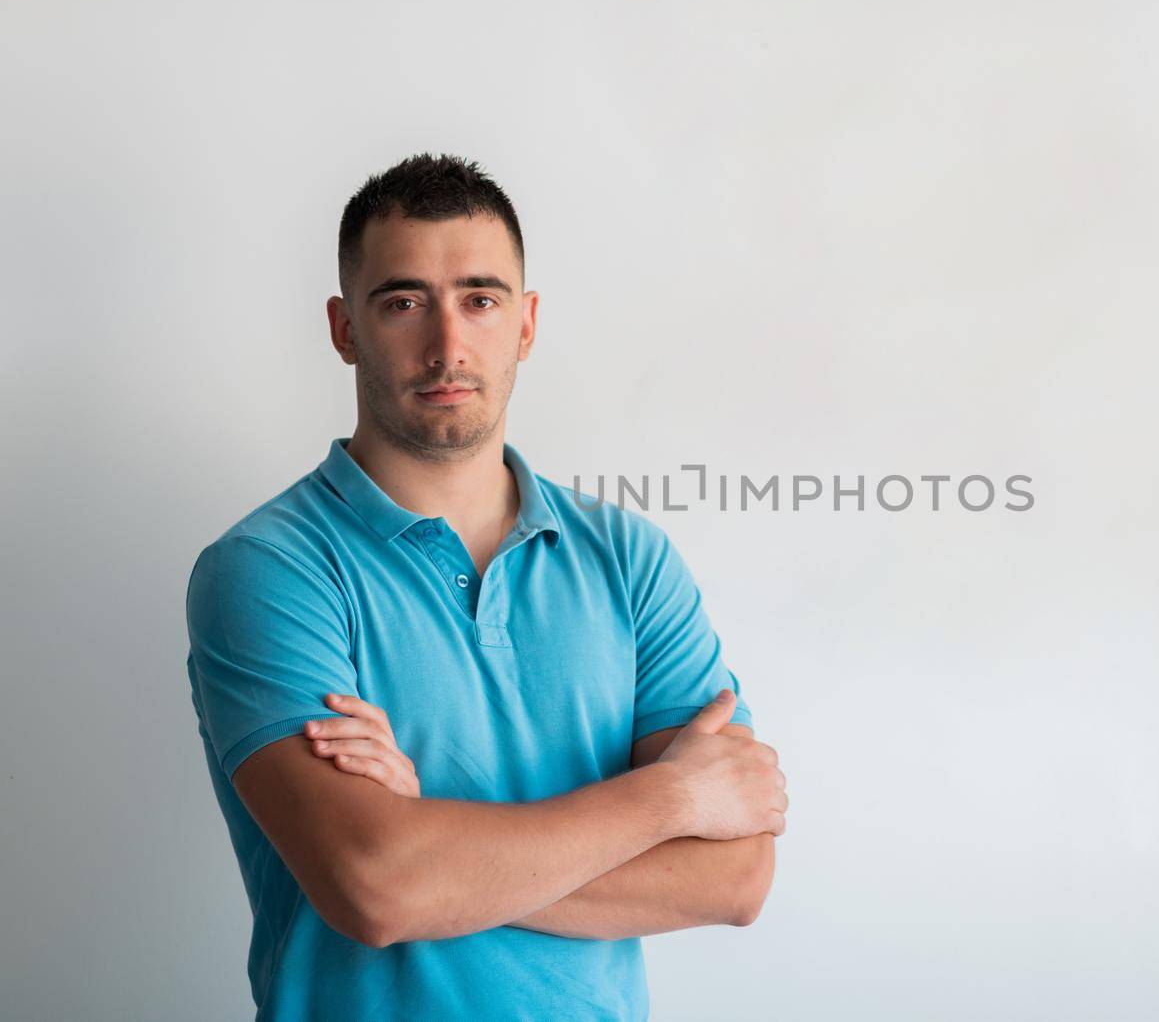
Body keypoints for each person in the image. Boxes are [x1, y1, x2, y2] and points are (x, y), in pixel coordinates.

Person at [184, 152, 786, 1021]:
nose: (448, 346)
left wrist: (432, 835)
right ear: (344, 327)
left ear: (527, 322)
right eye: (402, 302)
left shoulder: (628, 558)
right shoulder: (269, 569)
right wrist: (673, 797)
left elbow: (735, 874)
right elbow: (377, 885)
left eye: (481, 298)